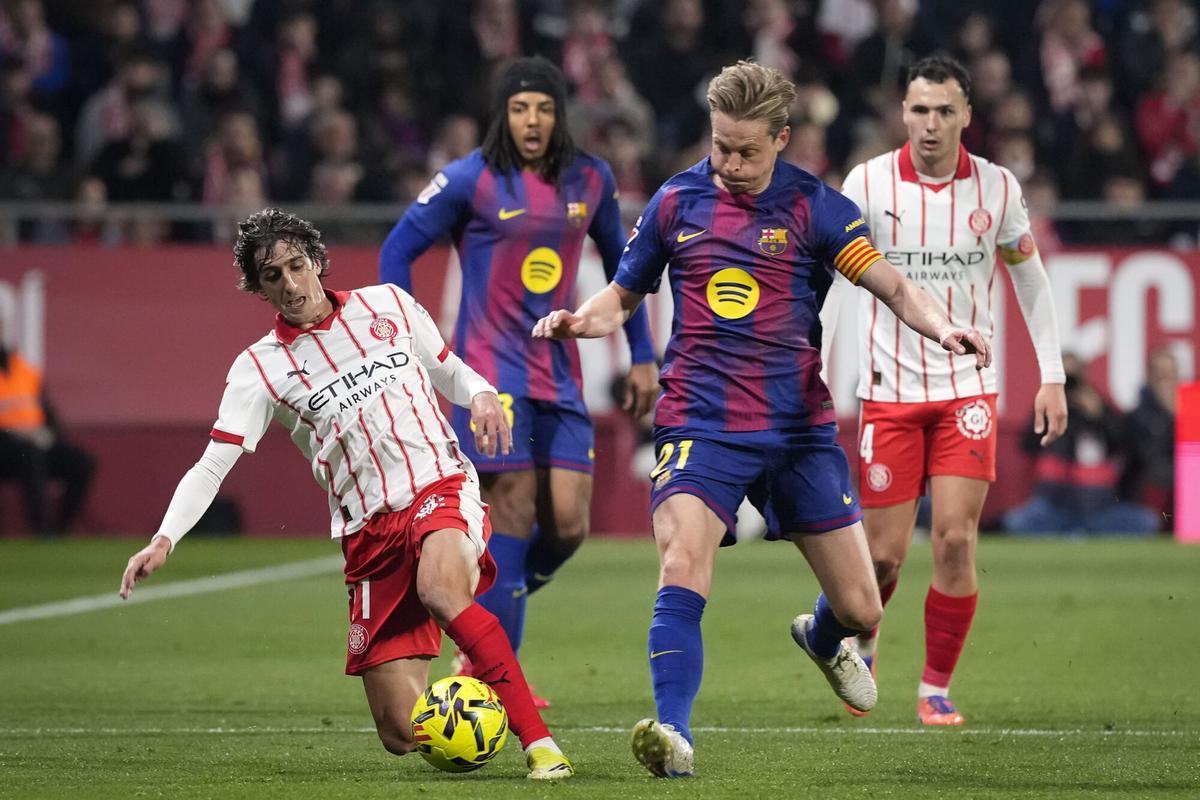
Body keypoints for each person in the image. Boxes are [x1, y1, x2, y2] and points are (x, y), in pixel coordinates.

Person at [532, 61, 991, 778]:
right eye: (720, 147)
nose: (731, 164)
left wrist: (944, 329)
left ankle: (823, 636)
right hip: (700, 422)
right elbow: (621, 296)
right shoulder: (676, 202)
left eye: (747, 151)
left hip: (797, 430)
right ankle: (675, 735)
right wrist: (577, 321)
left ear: (783, 138)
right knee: (682, 561)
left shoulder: (818, 207)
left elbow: (895, 286)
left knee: (864, 608)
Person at [118, 208, 573, 780]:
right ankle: (482, 684)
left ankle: (540, 744)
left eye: (295, 265)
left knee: (439, 589)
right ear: (258, 289)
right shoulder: (259, 369)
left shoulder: (388, 303)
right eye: (272, 276)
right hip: (368, 532)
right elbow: (215, 463)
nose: (289, 283)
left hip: (440, 484)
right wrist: (164, 538)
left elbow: (450, 370)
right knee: (403, 733)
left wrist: (481, 394)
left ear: (316, 260)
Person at [379, 56, 659, 705]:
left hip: (559, 372)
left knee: (566, 525)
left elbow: (629, 265)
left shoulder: (591, 177)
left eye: (543, 108)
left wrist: (642, 352)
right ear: (502, 116)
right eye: (519, 108)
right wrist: (408, 346)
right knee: (512, 509)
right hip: (490, 376)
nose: (532, 121)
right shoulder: (468, 179)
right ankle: (494, 670)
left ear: (560, 115)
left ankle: (477, 616)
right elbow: (396, 250)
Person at [825, 55, 1069, 726]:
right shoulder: (867, 184)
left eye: (943, 111)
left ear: (967, 115)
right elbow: (835, 283)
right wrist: (814, 365)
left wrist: (1051, 374)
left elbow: (1031, 279)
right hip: (888, 388)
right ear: (902, 113)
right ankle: (865, 640)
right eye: (918, 110)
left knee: (957, 541)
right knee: (881, 556)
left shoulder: (996, 188)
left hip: (968, 388)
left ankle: (934, 686)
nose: (930, 124)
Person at [1005, 353, 1159, 536]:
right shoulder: (1046, 407)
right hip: (1055, 504)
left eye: (1072, 377)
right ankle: (1074, 531)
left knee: (1147, 522)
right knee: (1016, 522)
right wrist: (1053, 414)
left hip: (1099, 505)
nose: (1069, 384)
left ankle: (1077, 531)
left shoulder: (1098, 405)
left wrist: (1097, 415)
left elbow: (1124, 446)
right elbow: (1028, 445)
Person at [0, 338, 95, 535]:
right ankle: (42, 528)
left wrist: (48, 434)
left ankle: (62, 529)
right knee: (29, 455)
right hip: (7, 445)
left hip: (33, 441)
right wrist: (13, 434)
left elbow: (47, 413)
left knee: (81, 462)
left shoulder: (25, 370)